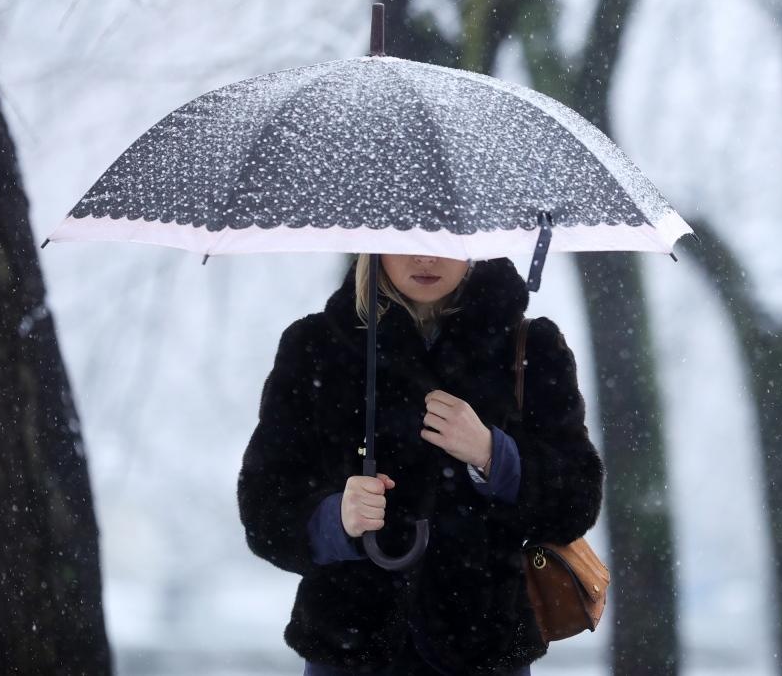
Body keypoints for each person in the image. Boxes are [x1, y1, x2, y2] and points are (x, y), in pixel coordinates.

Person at [238, 252, 604, 675]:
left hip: (481, 649)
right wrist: (335, 519)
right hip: (351, 648)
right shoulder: (315, 347)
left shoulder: (529, 347)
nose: (425, 256)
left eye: (444, 236)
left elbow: (577, 500)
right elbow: (264, 508)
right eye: (406, 236)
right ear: (372, 239)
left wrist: (492, 454)